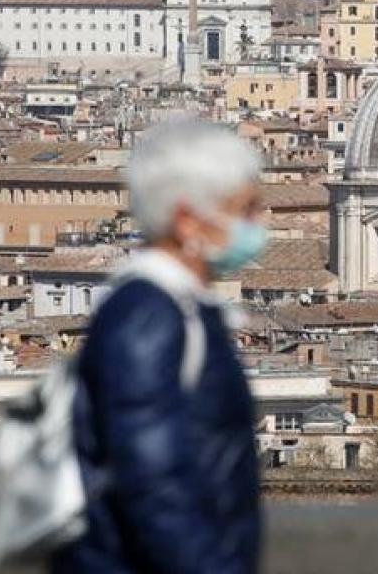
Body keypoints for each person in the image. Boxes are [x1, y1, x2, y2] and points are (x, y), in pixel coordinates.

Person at [52, 119, 267, 574]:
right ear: (187, 220)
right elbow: (152, 486)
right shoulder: (147, 317)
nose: (258, 224)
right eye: (245, 209)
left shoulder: (179, 309)